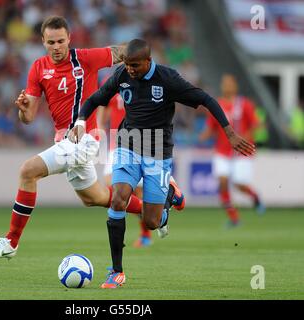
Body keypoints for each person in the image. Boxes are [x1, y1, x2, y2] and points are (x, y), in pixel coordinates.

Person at [68, 39, 255, 288]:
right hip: (127, 144)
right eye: (127, 64)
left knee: (151, 221)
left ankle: (169, 196)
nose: (130, 70)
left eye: (135, 65)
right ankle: (116, 271)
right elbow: (94, 100)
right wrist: (80, 122)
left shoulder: (168, 79)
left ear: (148, 61)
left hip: (158, 150)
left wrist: (229, 132)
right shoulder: (122, 74)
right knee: (118, 198)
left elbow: (206, 99)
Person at [0, 16, 156, 259]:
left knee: (27, 171)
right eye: (51, 42)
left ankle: (11, 242)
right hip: (64, 141)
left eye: (61, 41)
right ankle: (156, 211)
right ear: (43, 41)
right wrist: (22, 110)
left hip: (85, 139)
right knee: (96, 197)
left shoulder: (85, 58)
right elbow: (29, 118)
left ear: (69, 39)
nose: (56, 47)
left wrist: (144, 57)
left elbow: (123, 51)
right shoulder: (38, 68)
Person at [97, 73, 185, 248]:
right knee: (113, 187)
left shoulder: (148, 81)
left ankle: (155, 220)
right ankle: (162, 211)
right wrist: (99, 125)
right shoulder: (113, 80)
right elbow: (103, 103)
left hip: (141, 141)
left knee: (131, 192)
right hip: (118, 141)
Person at [199, 74, 265, 227]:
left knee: (239, 184)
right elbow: (211, 127)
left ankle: (255, 197)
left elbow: (256, 124)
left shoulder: (244, 104)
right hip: (222, 151)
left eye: (229, 83)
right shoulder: (218, 105)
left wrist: (244, 138)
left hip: (241, 152)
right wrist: (203, 136)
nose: (227, 86)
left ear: (235, 86)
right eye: (224, 84)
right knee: (222, 182)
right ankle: (234, 217)